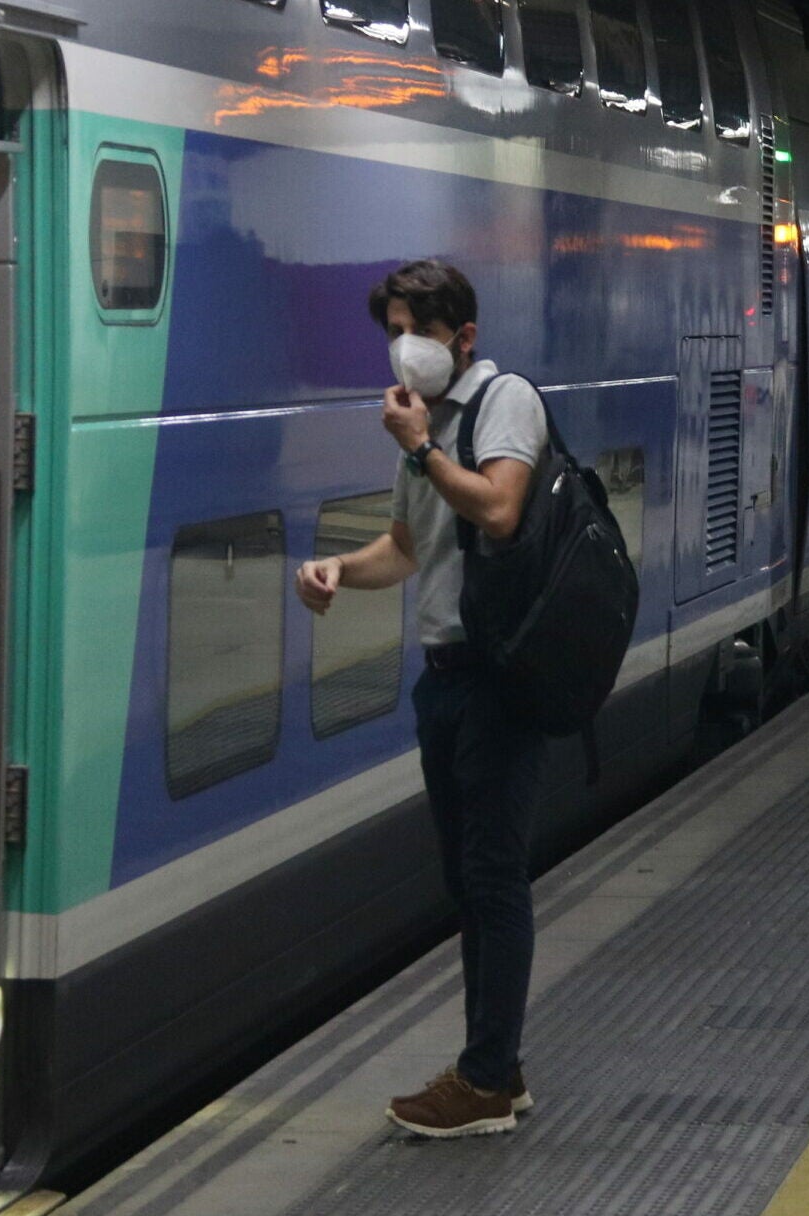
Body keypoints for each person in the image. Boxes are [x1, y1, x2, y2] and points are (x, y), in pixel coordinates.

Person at [295, 260, 548, 1138]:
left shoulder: (500, 402)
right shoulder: (426, 425)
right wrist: (337, 570)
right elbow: (405, 548)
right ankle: (497, 1070)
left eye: (418, 330)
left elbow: (501, 509)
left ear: (463, 337)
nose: (403, 349)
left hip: (498, 680)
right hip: (444, 682)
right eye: (393, 330)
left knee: (493, 877)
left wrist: (421, 448)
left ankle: (483, 1080)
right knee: (468, 883)